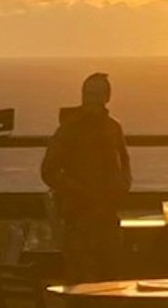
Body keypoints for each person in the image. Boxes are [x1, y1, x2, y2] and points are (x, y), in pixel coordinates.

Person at [40, 71, 131, 286]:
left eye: (97, 93)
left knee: (110, 278)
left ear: (107, 96)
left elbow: (124, 163)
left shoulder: (113, 128)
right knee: (80, 282)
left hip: (108, 215)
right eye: (88, 93)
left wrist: (122, 186)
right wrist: (77, 190)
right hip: (79, 218)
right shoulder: (70, 129)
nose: (92, 98)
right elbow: (48, 170)